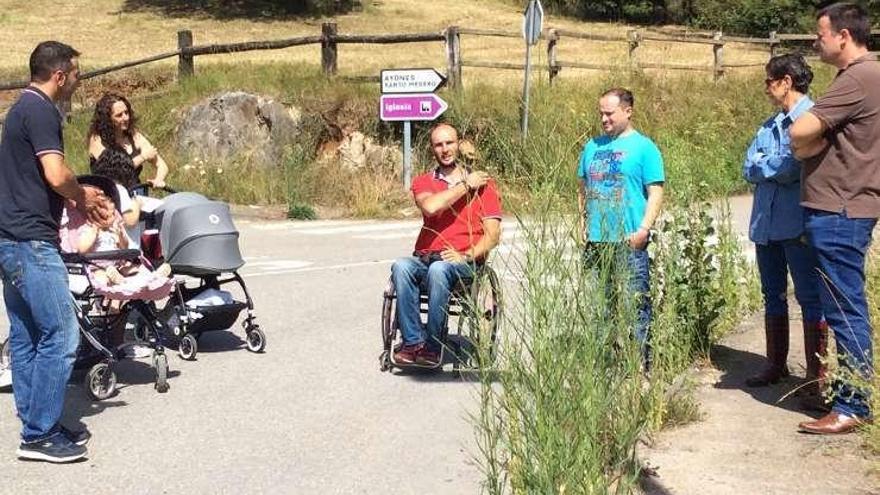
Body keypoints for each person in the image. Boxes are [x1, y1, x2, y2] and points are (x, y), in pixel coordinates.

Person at [0, 41, 110, 463]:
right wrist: (82, 196)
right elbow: (56, 172)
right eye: (77, 73)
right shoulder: (43, 110)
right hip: (30, 241)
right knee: (61, 335)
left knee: (28, 335)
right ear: (60, 74)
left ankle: (35, 421)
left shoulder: (19, 109)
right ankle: (39, 435)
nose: (79, 80)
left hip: (10, 238)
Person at [790, 2, 880, 434]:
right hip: (846, 207)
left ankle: (852, 405)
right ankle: (852, 397)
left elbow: (798, 132)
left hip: (840, 210)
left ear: (843, 36)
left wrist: (808, 140)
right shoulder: (863, 78)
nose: (815, 40)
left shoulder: (859, 78)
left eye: (820, 33)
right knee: (843, 305)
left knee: (844, 308)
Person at [742, 54, 828, 408]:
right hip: (767, 225)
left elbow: (797, 166)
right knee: (772, 293)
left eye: (769, 81)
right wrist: (769, 165)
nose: (766, 87)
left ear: (786, 82)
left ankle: (815, 377)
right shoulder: (768, 125)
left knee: (810, 297)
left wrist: (767, 165)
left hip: (798, 224)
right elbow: (748, 166)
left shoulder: (813, 119)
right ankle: (775, 364)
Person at [390, 123, 502, 367]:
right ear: (433, 149)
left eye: (449, 143)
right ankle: (413, 342)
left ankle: (433, 346)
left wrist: (466, 255)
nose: (445, 149)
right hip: (426, 257)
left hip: (462, 263)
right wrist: (464, 185)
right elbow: (431, 207)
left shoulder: (485, 185)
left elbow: (493, 235)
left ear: (458, 144)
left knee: (439, 270)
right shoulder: (423, 182)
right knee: (401, 266)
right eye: (439, 145)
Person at [577, 88, 664, 369]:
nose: (604, 119)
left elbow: (655, 192)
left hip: (628, 240)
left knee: (634, 305)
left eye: (609, 113)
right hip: (597, 241)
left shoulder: (644, 148)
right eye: (601, 113)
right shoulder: (592, 146)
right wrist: (582, 224)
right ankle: (606, 363)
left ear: (628, 111)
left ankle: (639, 365)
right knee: (601, 308)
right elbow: (583, 188)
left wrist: (643, 229)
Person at [87, 92, 169, 189]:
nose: (125, 118)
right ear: (107, 119)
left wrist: (158, 179)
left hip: (136, 192)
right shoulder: (97, 140)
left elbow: (161, 164)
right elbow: (116, 174)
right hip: (110, 196)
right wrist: (143, 157)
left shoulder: (135, 137)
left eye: (126, 112)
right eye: (119, 115)